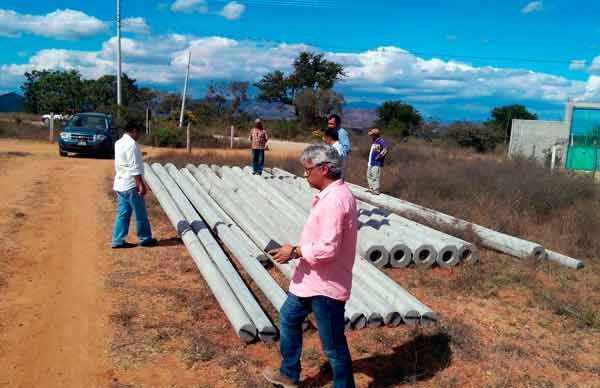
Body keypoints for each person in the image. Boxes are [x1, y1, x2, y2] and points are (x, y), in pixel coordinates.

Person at [264, 144, 357, 388]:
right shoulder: (331, 196)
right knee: (288, 318)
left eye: (307, 170)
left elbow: (328, 249)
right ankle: (288, 374)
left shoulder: (336, 201)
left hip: (326, 285)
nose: (305, 175)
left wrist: (294, 251)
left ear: (323, 169)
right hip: (310, 279)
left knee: (333, 346)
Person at [111, 119, 156, 249]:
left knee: (123, 213)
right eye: (139, 133)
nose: (139, 136)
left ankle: (117, 240)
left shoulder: (118, 143)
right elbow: (134, 166)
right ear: (134, 131)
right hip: (131, 184)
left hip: (120, 184)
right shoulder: (132, 145)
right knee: (140, 213)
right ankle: (145, 238)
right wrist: (140, 184)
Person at [366, 127, 388, 195]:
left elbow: (385, 149)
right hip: (371, 162)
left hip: (376, 163)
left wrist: (380, 156)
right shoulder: (374, 141)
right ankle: (371, 188)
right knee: (369, 175)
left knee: (375, 176)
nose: (370, 136)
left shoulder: (381, 141)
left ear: (375, 135)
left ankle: (376, 190)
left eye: (372, 134)